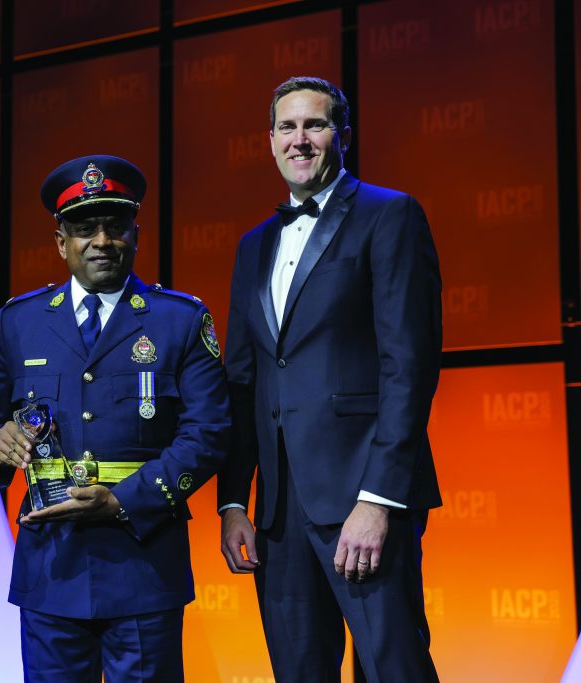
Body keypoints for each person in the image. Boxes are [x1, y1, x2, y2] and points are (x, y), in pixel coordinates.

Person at [0, 155, 230, 682]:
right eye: (85, 229)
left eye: (115, 227)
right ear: (61, 241)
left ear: (137, 234)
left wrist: (123, 499)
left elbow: (210, 433)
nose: (102, 241)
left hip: (142, 562)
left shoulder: (179, 320)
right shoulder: (20, 322)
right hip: (50, 566)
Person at [218, 76, 443, 682]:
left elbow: (409, 365)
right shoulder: (252, 246)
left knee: (393, 667)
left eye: (314, 125)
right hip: (279, 514)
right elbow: (242, 379)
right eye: (286, 128)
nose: (300, 139)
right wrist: (235, 498)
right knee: (299, 672)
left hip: (361, 502)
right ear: (269, 141)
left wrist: (380, 499)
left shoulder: (389, 214)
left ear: (342, 135)